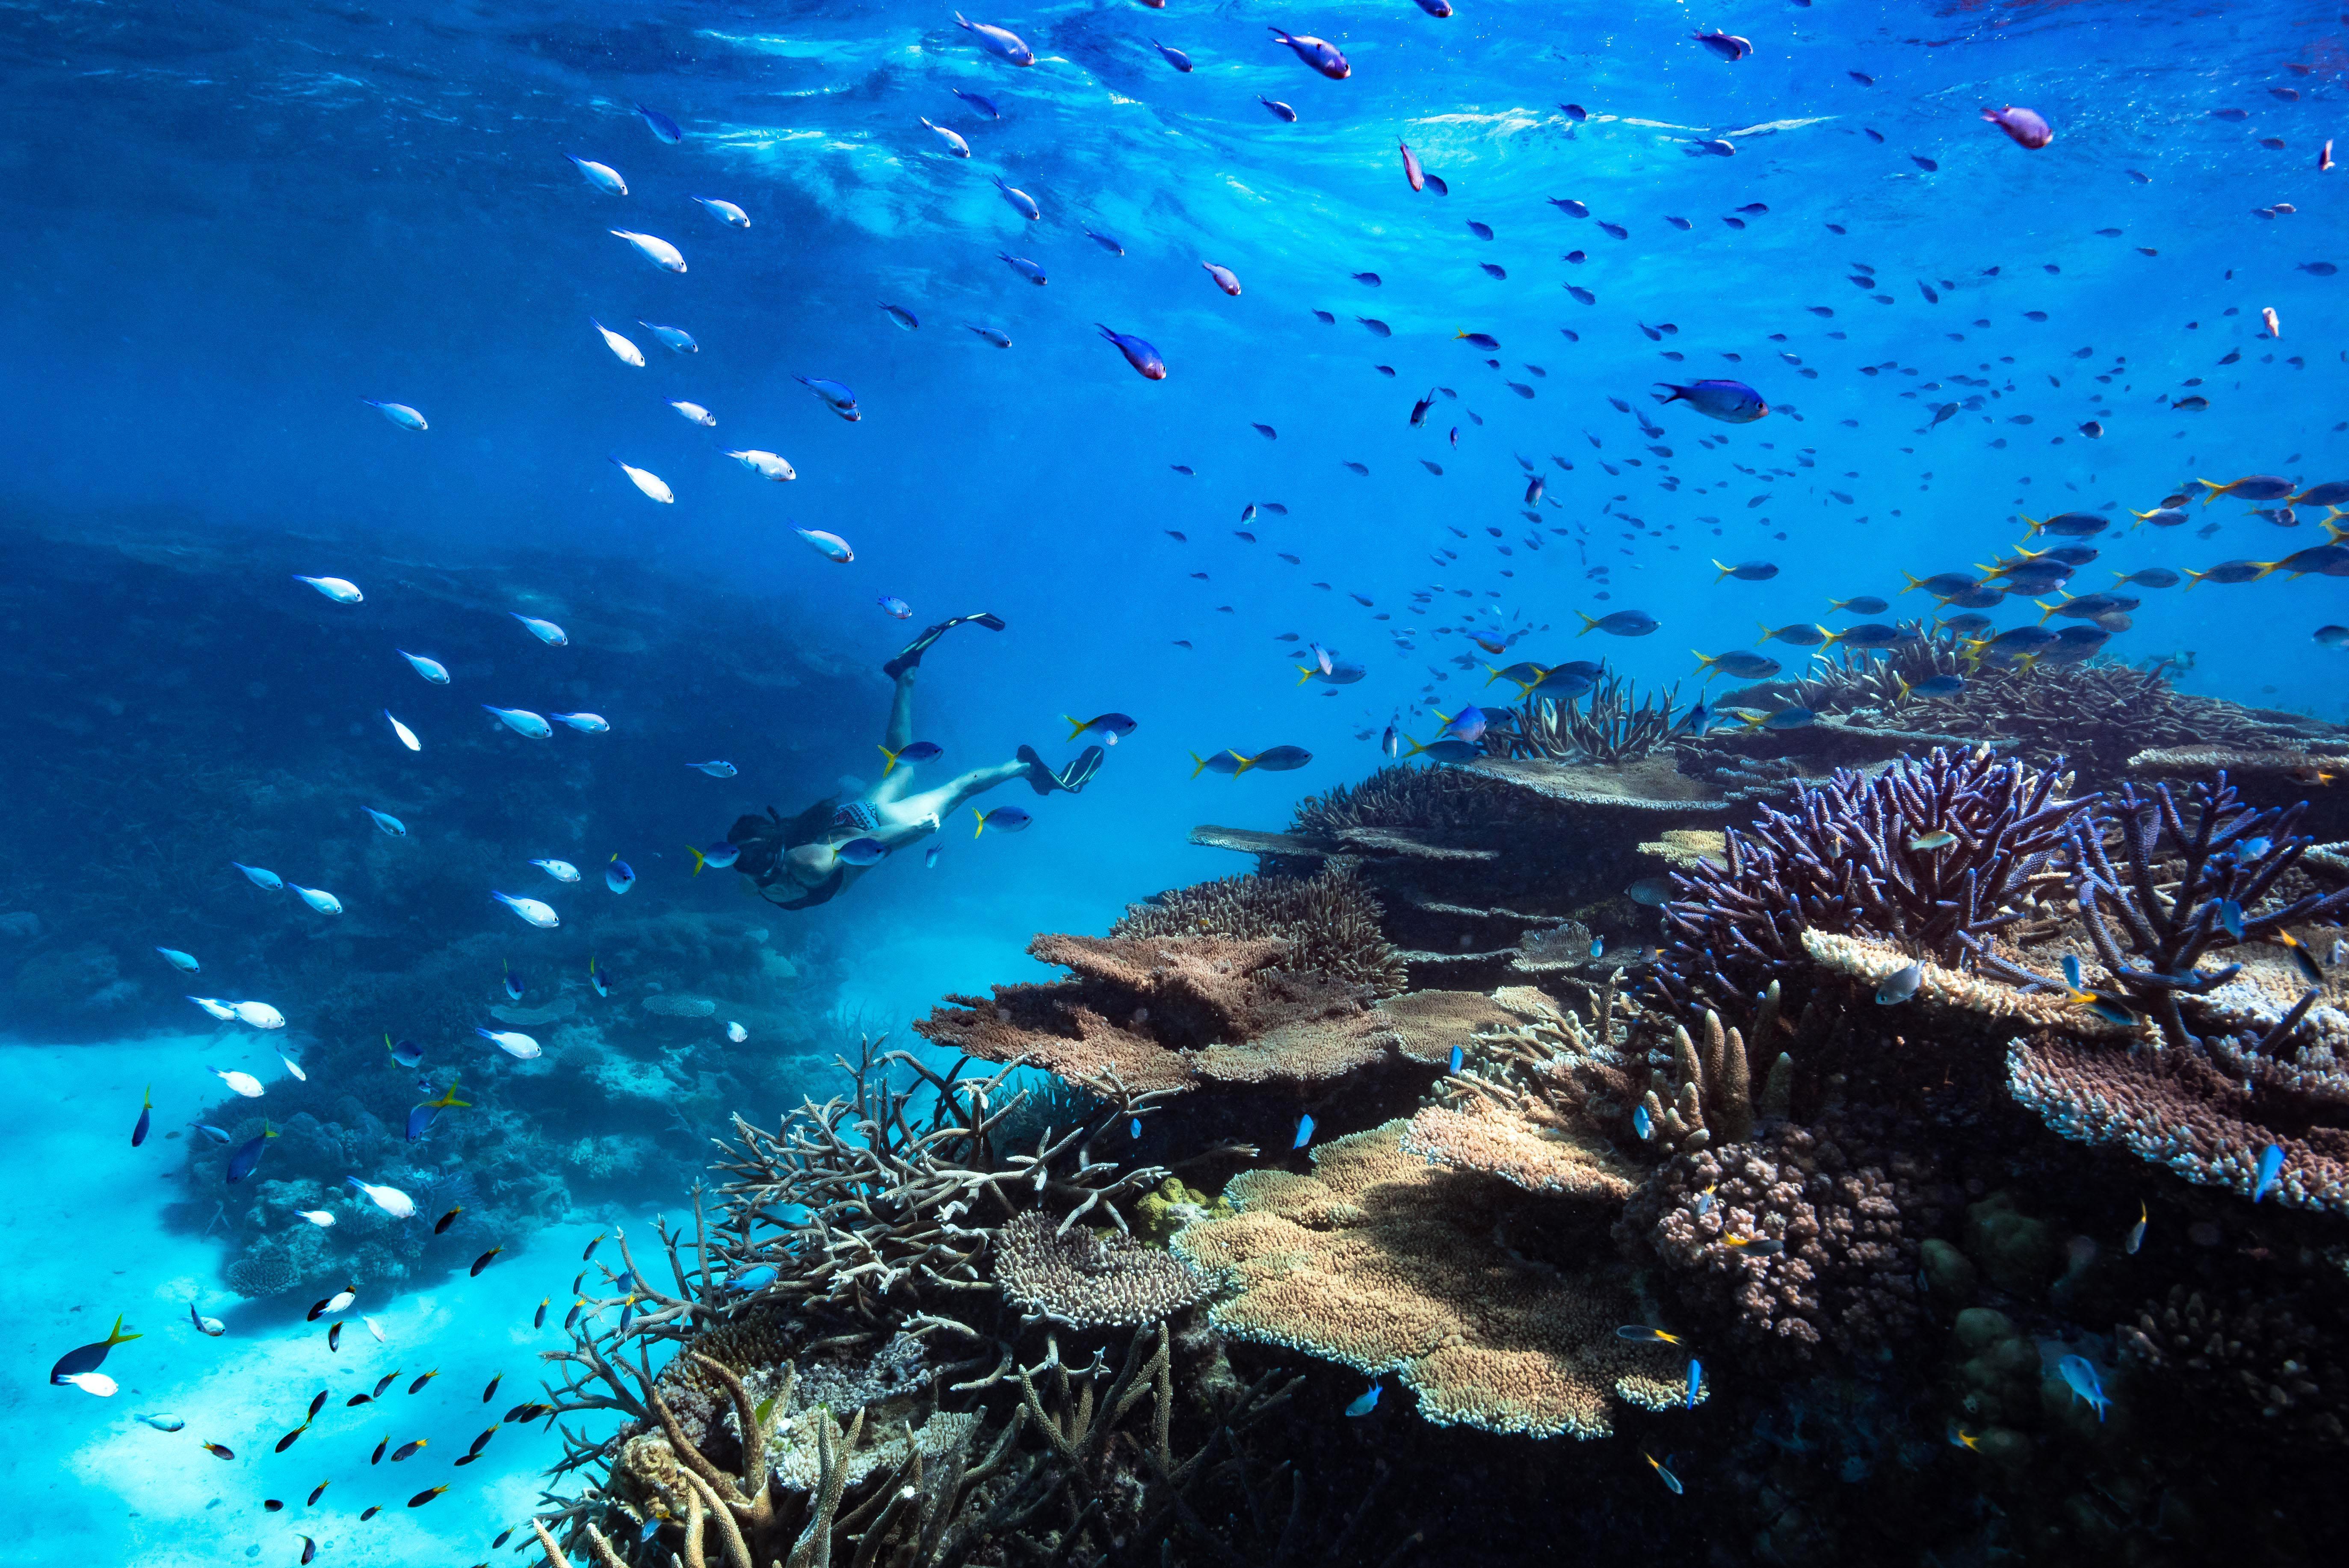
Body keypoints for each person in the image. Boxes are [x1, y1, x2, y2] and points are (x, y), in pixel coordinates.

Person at [727, 613, 1103, 910]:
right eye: (754, 868)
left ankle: (1023, 766)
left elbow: (871, 840)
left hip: (875, 824)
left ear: (781, 853)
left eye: (771, 868)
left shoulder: (808, 864)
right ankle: (905, 675)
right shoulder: (749, 873)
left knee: (960, 788)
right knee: (903, 763)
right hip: (852, 814)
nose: (769, 879)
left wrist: (918, 831)